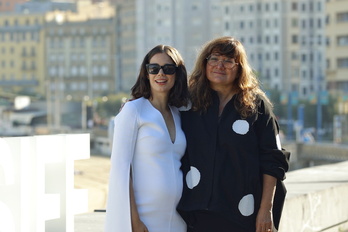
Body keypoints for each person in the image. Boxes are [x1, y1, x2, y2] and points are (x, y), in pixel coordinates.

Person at [177, 36, 290, 232]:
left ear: (239, 68)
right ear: (205, 63)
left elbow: (273, 160)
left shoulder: (257, 105)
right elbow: (157, 105)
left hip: (244, 215)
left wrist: (266, 210)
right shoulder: (188, 103)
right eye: (214, 58)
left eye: (228, 61)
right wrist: (133, 104)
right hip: (196, 212)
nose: (220, 65)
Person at [104, 45, 189, 232]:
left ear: (177, 73)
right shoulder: (133, 111)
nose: (161, 74)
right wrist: (134, 221)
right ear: (146, 73)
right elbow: (121, 169)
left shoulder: (178, 114)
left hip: (177, 220)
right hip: (144, 219)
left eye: (168, 69)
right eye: (154, 68)